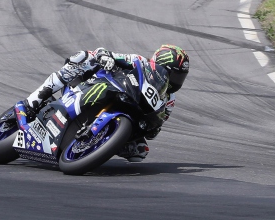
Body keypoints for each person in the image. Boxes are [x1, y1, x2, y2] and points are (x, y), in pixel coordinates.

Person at [23, 45, 190, 162]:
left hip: (131, 112)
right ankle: (35, 98)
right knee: (84, 57)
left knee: (139, 152)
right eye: (172, 74)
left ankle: (97, 145)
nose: (175, 81)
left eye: (179, 77)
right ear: (157, 65)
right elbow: (104, 52)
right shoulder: (139, 61)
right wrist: (105, 57)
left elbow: (157, 127)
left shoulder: (170, 99)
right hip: (103, 85)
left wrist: (153, 126)